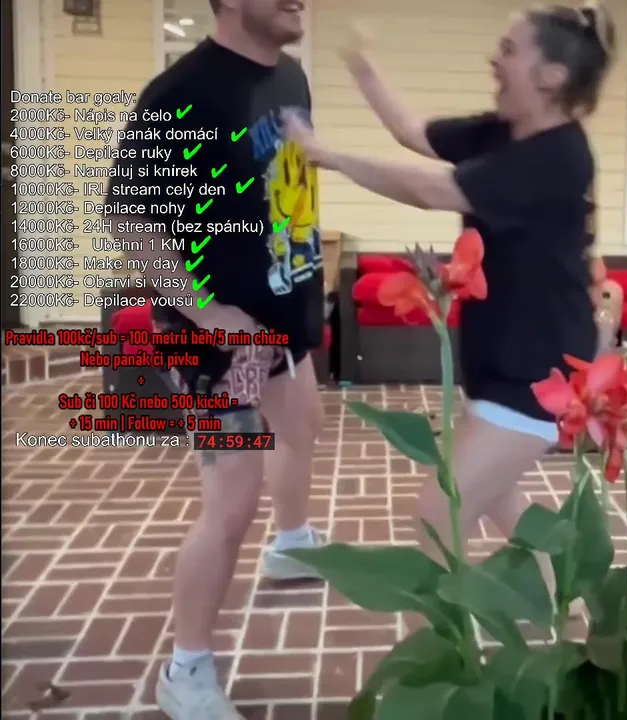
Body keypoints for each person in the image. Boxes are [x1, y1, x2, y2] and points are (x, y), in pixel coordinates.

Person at [281, 6, 613, 599]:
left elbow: (435, 189)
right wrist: (363, 67)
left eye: (510, 49)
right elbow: (413, 133)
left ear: (552, 76)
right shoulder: (504, 133)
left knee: (439, 518)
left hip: (539, 374)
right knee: (502, 504)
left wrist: (326, 155)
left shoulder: (559, 156)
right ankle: (566, 622)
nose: (495, 59)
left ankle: (439, 650)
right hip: (500, 364)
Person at [103, 0, 327, 716]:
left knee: (304, 423)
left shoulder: (291, 76)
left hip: (279, 315)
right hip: (214, 337)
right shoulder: (180, 94)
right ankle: (186, 670)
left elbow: (286, 186)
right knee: (234, 496)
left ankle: (290, 544)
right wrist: (205, 312)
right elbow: (129, 222)